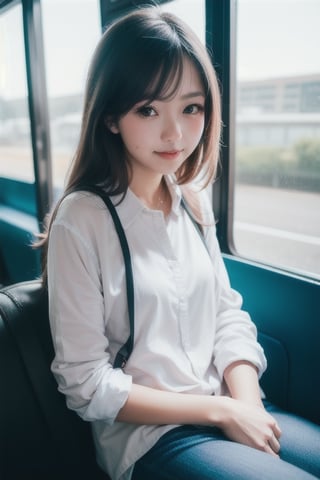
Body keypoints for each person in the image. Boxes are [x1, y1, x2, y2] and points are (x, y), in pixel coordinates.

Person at [40, 7, 320, 480]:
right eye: (149, 109)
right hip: (153, 437)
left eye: (191, 108)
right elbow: (85, 383)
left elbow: (226, 316)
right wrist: (220, 415)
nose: (175, 133)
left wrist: (247, 406)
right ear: (111, 117)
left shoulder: (193, 203)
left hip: (227, 404)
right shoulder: (82, 220)